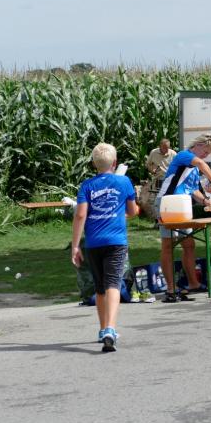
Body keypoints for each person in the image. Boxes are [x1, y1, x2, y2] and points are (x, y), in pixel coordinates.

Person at [71, 143, 138, 352]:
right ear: (115, 163)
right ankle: (110, 329)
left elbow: (80, 215)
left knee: (100, 287)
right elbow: (133, 211)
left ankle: (103, 329)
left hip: (93, 243)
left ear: (94, 164)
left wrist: (75, 246)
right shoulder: (124, 181)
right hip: (116, 241)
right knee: (113, 285)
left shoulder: (87, 186)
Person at [155, 133, 211, 303]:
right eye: (205, 151)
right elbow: (201, 163)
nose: (206, 156)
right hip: (167, 202)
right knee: (168, 245)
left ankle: (193, 283)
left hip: (182, 205)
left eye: (208, 153)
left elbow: (192, 190)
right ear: (197, 145)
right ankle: (171, 289)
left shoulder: (194, 169)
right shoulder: (184, 155)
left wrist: (205, 200)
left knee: (189, 244)